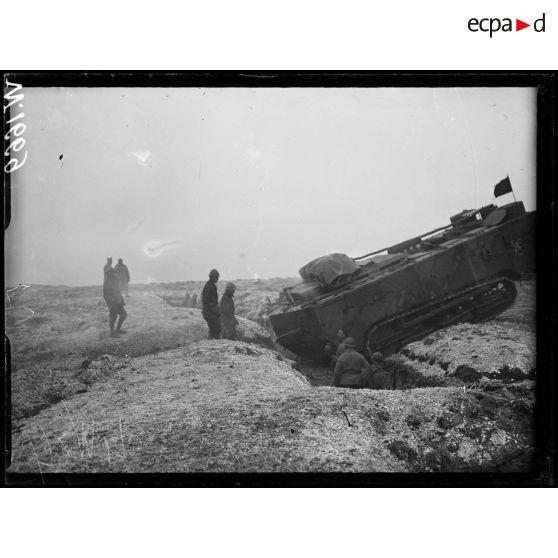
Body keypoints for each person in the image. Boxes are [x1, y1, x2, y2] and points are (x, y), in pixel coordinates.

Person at [103, 268, 127, 337]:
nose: (113, 274)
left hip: (119, 302)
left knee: (123, 315)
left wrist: (122, 300)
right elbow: (106, 295)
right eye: (112, 273)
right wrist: (111, 302)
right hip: (113, 303)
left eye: (114, 273)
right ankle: (112, 333)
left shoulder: (115, 281)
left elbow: (118, 292)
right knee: (113, 317)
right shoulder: (107, 283)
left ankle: (118, 330)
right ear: (108, 274)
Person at [202, 268, 221, 339]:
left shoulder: (211, 285)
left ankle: (213, 342)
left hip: (211, 312)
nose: (218, 279)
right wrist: (216, 311)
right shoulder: (209, 287)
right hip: (209, 312)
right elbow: (206, 302)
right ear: (213, 277)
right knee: (215, 329)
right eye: (217, 277)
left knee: (215, 330)